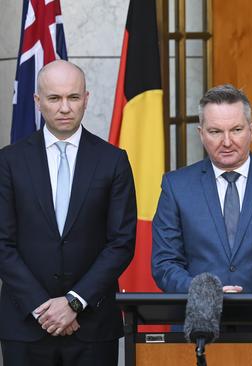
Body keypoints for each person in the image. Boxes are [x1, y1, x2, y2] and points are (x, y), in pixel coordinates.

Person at [0, 60, 136, 365]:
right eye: (54, 98)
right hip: (25, 325)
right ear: (37, 101)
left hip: (93, 325)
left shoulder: (113, 161)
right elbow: (2, 244)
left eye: (73, 98)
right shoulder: (8, 162)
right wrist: (42, 307)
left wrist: (75, 302)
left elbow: (121, 242)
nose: (65, 108)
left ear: (86, 99)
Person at [151, 84, 252, 294]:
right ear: (201, 134)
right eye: (215, 131)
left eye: (236, 130)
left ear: (251, 130)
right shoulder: (176, 186)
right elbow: (165, 264)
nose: (227, 142)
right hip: (196, 321)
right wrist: (206, 295)